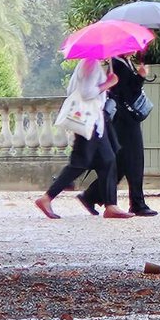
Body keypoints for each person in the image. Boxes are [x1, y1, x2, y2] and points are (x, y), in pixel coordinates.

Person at [35, 58, 135, 219]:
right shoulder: (91, 64)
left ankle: (111, 205)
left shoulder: (90, 64)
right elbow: (87, 92)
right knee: (79, 163)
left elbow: (73, 88)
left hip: (95, 121)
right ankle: (47, 197)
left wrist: (105, 85)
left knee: (108, 160)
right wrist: (107, 84)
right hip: (88, 122)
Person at [80, 52, 156, 216]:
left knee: (122, 164)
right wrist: (140, 77)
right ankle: (137, 203)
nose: (135, 50)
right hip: (123, 120)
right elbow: (126, 93)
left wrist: (139, 75)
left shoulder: (125, 62)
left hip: (128, 120)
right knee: (135, 160)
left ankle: (91, 195)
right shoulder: (118, 65)